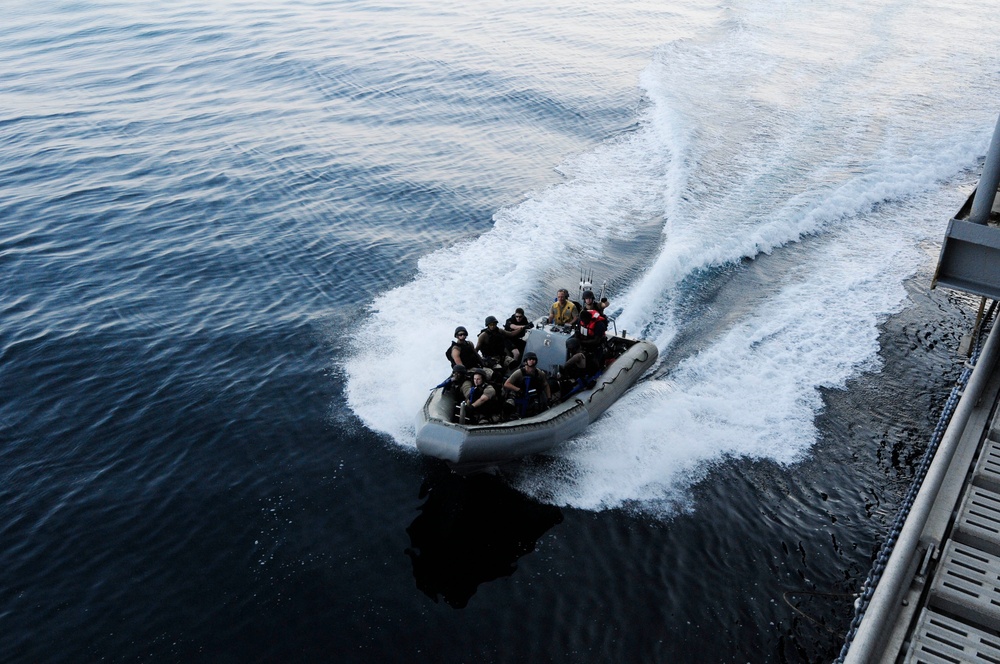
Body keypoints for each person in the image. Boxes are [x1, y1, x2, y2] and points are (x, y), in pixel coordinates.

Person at [504, 351, 551, 417]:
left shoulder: (539, 373)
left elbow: (545, 384)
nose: (532, 361)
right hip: (519, 395)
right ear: (526, 361)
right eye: (530, 359)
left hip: (532, 395)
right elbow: (507, 384)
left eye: (533, 359)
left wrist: (549, 398)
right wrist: (518, 390)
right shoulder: (519, 372)